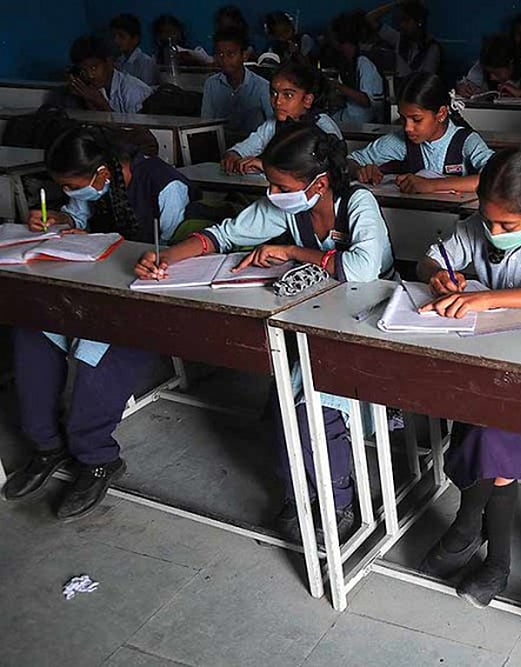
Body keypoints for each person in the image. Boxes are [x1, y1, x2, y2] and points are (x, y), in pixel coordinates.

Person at [135, 123, 394, 542]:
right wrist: (165, 259)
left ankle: (339, 498)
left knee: (314, 408)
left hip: (364, 320)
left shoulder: (357, 202)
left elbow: (364, 268)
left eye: (279, 185)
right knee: (283, 406)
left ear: (319, 183)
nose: (272, 194)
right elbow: (223, 235)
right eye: (270, 185)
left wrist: (292, 251)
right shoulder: (287, 204)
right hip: (311, 314)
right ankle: (298, 491)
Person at [414, 148, 521, 607]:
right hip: (487, 359)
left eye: (507, 226)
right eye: (487, 221)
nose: (493, 233)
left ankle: (476, 536)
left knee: (492, 438)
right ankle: (484, 549)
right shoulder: (481, 224)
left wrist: (486, 299)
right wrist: (439, 279)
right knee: (477, 428)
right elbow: (428, 260)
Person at [1, 126, 197, 519]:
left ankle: (96, 457)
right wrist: (55, 221)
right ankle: (46, 445)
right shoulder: (94, 182)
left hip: (141, 300)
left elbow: (173, 256)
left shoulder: (164, 186)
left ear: (102, 175)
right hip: (88, 287)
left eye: (73, 187)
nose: (72, 193)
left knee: (95, 353)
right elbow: (77, 222)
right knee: (31, 333)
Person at [348, 73, 492, 193]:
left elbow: (495, 177)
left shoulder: (467, 141)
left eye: (416, 119)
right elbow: (350, 161)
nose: (407, 128)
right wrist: (360, 170)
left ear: (441, 114)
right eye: (403, 119)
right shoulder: (401, 140)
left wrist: (431, 185)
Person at [221, 61, 342, 175]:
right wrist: (234, 155)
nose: (278, 102)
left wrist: (268, 168)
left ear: (307, 100)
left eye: (288, 95)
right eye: (273, 93)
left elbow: (328, 169)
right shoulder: (272, 125)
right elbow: (246, 147)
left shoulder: (323, 126)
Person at [456, 11, 521, 96]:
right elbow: (467, 83)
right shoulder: (490, 59)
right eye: (518, 34)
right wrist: (462, 88)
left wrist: (519, 92)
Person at [201, 28, 274, 137]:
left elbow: (272, 125)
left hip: (253, 147)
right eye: (220, 54)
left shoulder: (262, 86)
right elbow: (205, 122)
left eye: (230, 54)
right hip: (221, 144)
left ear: (244, 55)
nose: (224, 60)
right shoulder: (211, 84)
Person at [326, 12, 386, 124]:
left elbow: (366, 101)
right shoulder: (347, 62)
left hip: (364, 119)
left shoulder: (364, 62)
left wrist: (337, 86)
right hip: (349, 113)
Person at [366, 0, 441, 88]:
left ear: (419, 22)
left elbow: (426, 81)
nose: (402, 25)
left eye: (407, 21)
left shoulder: (431, 47)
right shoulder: (398, 38)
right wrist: (398, 3)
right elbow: (370, 18)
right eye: (401, 21)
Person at [68, 35, 152, 114]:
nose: (90, 75)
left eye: (94, 68)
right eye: (83, 70)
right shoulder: (92, 88)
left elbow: (137, 129)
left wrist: (102, 104)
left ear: (109, 62)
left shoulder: (134, 91)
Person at [110, 14, 158, 86]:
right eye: (114, 36)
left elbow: (146, 90)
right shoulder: (118, 61)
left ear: (135, 39)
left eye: (121, 36)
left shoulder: (145, 62)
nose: (116, 40)